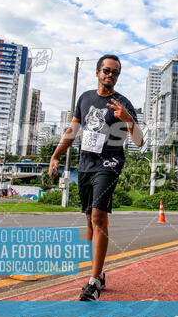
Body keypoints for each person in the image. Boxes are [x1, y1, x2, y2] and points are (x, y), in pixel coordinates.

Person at [49, 54, 143, 301]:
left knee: (99, 216)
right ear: (98, 72)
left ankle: (93, 282)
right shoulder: (85, 98)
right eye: (106, 70)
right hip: (86, 165)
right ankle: (98, 273)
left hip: (110, 164)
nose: (110, 75)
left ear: (118, 76)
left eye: (115, 72)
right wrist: (55, 156)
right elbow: (72, 131)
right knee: (90, 218)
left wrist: (128, 120)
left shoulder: (123, 103)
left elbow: (140, 141)